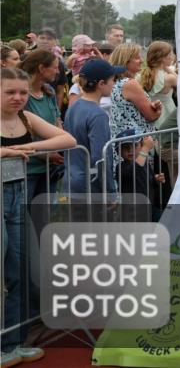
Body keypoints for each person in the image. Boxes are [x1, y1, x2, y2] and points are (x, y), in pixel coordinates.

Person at [2, 67, 75, 365]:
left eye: (22, 92)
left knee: (20, 270)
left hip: (18, 196)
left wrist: (28, 146)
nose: (18, 97)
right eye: (10, 92)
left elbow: (67, 139)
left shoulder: (25, 118)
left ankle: (12, 342)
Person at [63, 59, 122, 195]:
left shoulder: (73, 107)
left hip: (71, 180)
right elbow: (101, 157)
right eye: (113, 80)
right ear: (101, 84)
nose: (114, 84)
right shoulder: (98, 114)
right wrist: (110, 190)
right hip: (90, 186)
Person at [19, 50, 65, 199]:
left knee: (45, 211)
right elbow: (22, 132)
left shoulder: (49, 91)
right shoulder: (21, 96)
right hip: (28, 168)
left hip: (49, 168)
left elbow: (57, 121)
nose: (58, 71)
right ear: (41, 68)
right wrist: (46, 155)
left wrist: (59, 146)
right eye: (55, 67)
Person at [108, 43, 162, 143]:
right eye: (137, 58)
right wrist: (158, 110)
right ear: (125, 61)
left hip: (122, 139)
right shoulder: (130, 84)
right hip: (137, 142)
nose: (142, 61)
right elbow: (151, 116)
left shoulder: (112, 82)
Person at [139, 42, 179, 175]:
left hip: (150, 117)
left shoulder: (142, 75)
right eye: (170, 54)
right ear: (162, 57)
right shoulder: (170, 78)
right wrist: (168, 69)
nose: (172, 56)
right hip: (167, 115)